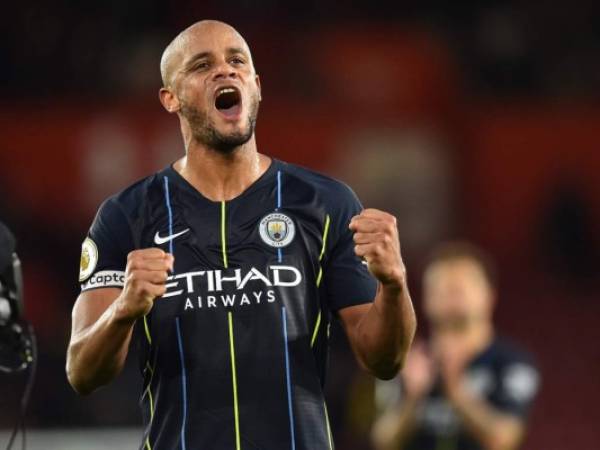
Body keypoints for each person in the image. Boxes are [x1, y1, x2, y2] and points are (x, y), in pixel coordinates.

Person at [66, 20, 416, 450]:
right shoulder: (126, 216)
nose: (225, 72)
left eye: (237, 62)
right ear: (169, 98)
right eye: (201, 65)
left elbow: (384, 360)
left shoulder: (325, 203)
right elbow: (81, 372)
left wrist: (394, 285)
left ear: (257, 85)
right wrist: (123, 310)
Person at [372, 242, 539, 450]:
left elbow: (504, 439)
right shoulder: (405, 361)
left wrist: (457, 392)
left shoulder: (513, 363)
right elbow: (384, 440)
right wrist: (413, 396)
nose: (450, 296)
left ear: (490, 295)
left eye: (460, 288)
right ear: (425, 298)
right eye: (440, 288)